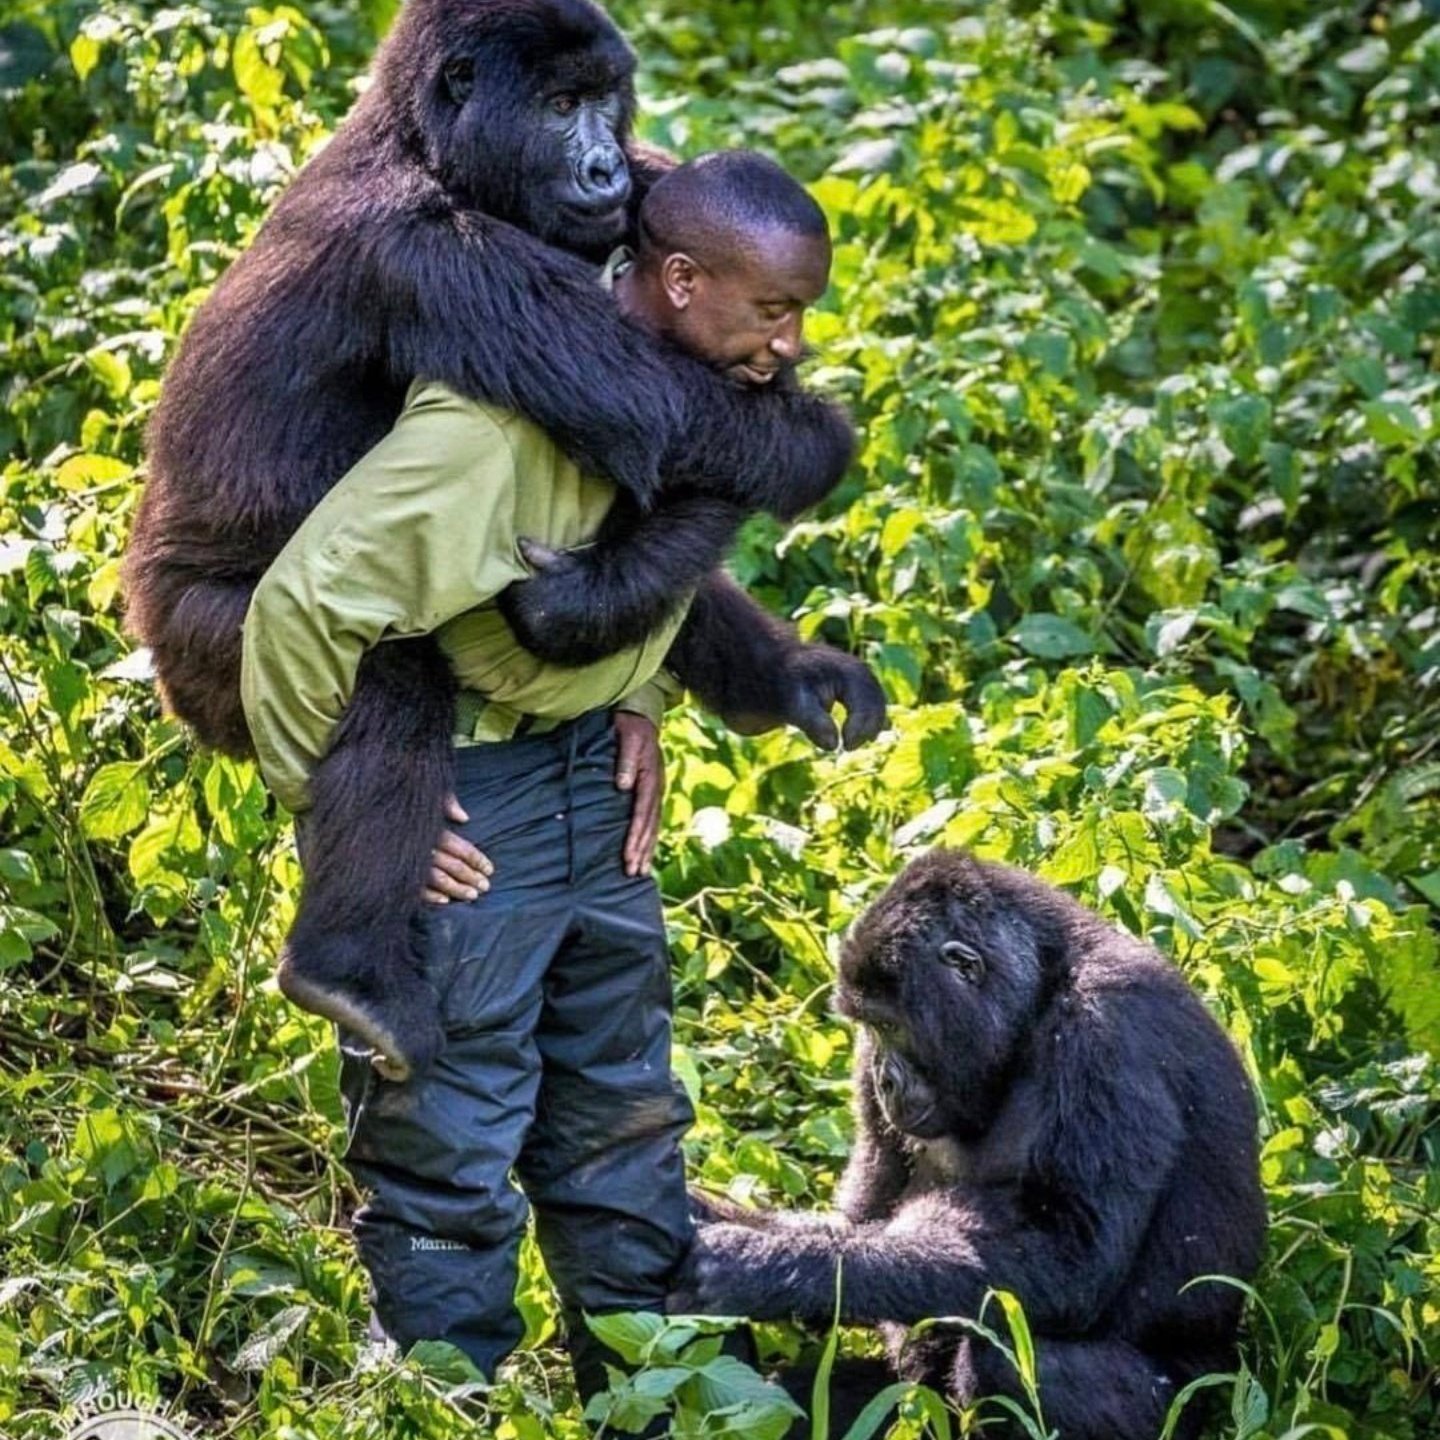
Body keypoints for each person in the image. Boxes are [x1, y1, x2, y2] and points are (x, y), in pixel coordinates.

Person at [238, 151, 836, 1397]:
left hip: (593, 796)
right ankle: (449, 1404)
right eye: (774, 312)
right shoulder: (486, 433)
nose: (790, 343)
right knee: (446, 1146)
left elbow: (633, 563)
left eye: (801, 314)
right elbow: (301, 612)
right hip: (473, 799)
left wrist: (642, 695)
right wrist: (347, 817)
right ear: (678, 279)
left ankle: (653, 1400)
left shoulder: (673, 379)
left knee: (624, 1119)